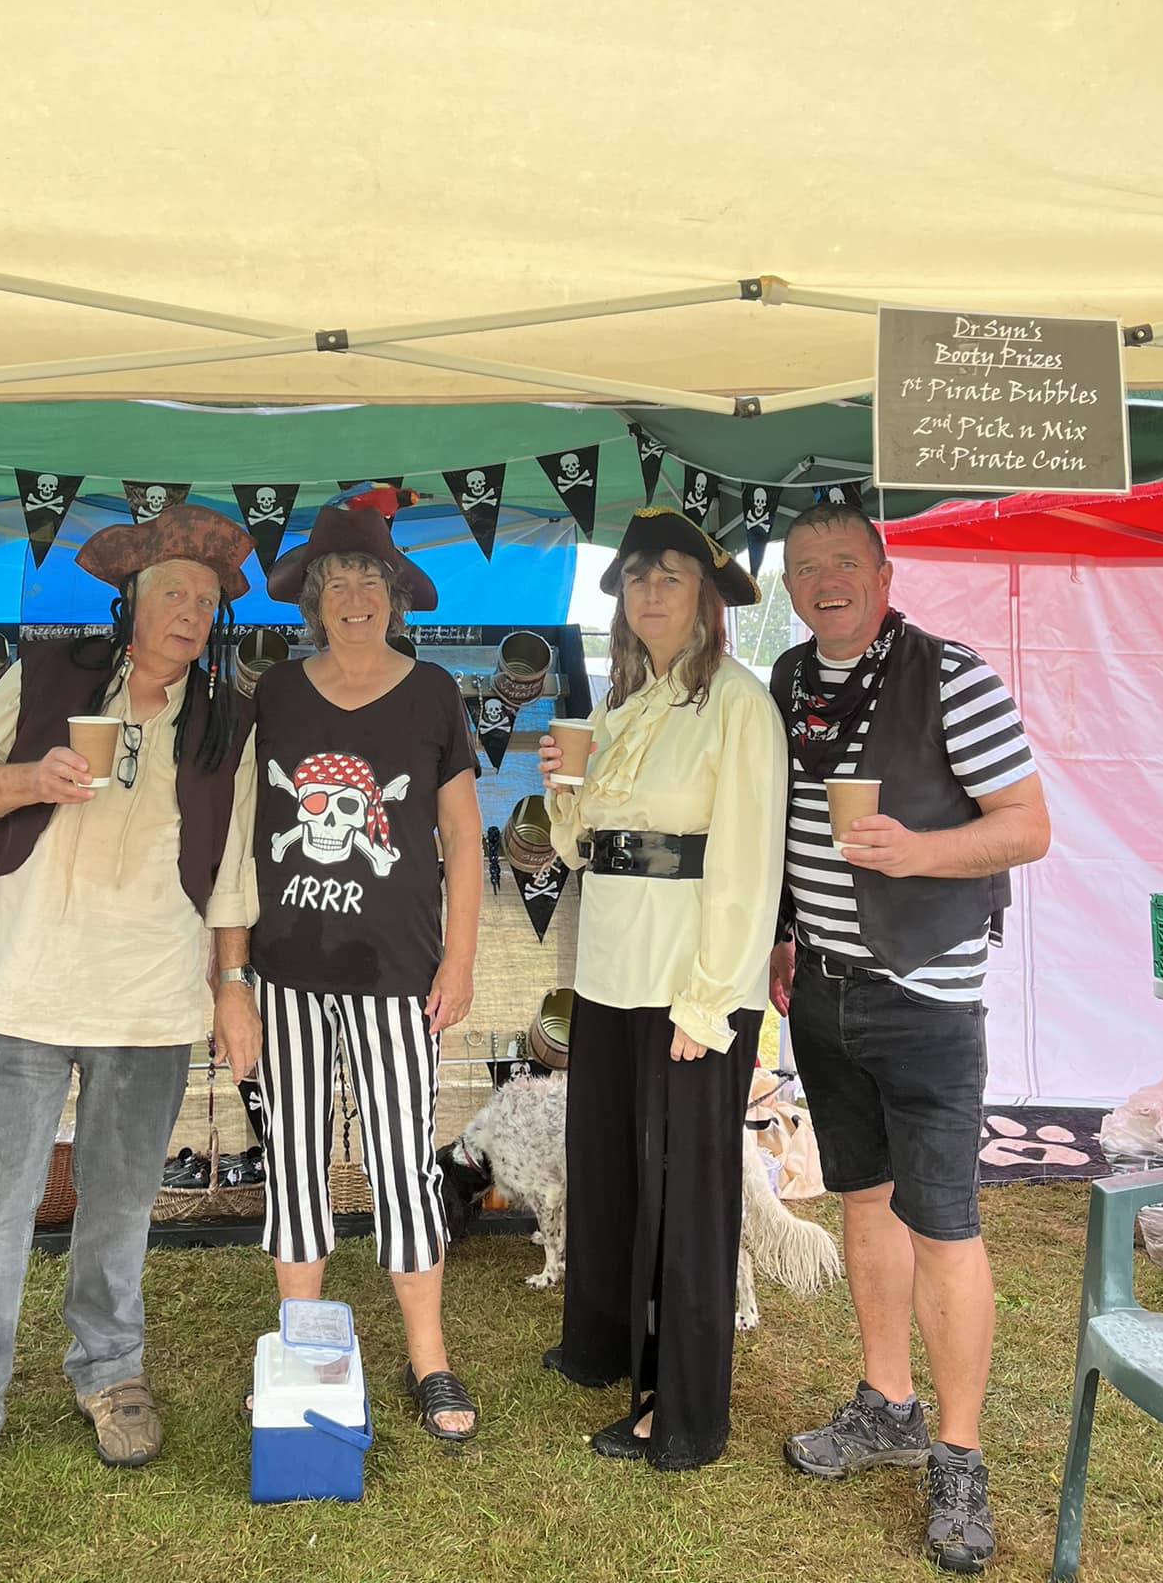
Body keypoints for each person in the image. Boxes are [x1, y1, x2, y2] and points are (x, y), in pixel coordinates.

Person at [0, 504, 263, 1532]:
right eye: (172, 592)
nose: (190, 610)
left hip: (151, 994)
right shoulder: (49, 677)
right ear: (131, 603)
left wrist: (232, 984)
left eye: (207, 598)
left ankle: (109, 1368)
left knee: (119, 1203)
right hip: (26, 984)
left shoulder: (227, 720)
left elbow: (233, 871)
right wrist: (35, 777)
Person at [768, 501, 1050, 1576]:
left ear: (885, 574)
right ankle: (887, 1402)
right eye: (805, 566)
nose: (825, 580)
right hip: (825, 990)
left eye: (844, 561)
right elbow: (793, 826)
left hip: (928, 995)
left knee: (944, 1223)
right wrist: (788, 932)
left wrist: (918, 851)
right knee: (862, 1197)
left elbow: (1027, 824)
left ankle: (959, 1456)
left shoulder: (952, 676)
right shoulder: (791, 678)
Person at [225, 496, 484, 1442]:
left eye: (370, 578)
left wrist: (460, 958)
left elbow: (463, 835)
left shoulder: (434, 694)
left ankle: (429, 1357)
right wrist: (232, 976)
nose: (354, 596)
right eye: (336, 581)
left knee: (402, 1163)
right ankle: (299, 1346)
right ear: (314, 601)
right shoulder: (276, 696)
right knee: (293, 1158)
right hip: (286, 973)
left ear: (394, 595)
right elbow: (239, 840)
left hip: (399, 976)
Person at [539, 505, 786, 1471]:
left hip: (687, 979)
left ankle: (679, 1408)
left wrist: (712, 1001)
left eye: (670, 575)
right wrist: (565, 790)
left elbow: (749, 864)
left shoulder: (739, 704)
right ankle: (603, 1344)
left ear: (707, 600)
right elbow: (580, 850)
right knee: (609, 1162)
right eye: (637, 576)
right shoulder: (621, 706)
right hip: (610, 969)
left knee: (683, 1190)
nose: (649, 591)